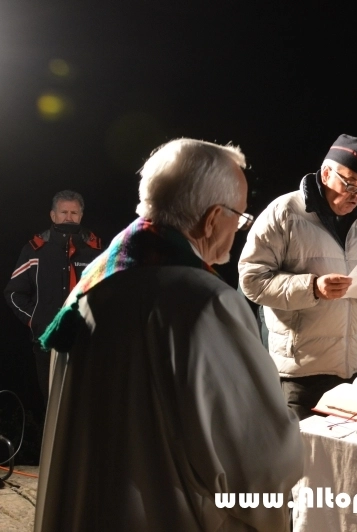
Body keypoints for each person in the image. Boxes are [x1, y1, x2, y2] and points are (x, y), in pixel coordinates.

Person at [34, 139, 303, 532]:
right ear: (213, 218)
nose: (239, 228)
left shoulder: (94, 280)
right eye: (241, 216)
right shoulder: (204, 302)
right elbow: (259, 463)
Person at [239, 134, 357, 420]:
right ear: (326, 173)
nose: (356, 195)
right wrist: (313, 288)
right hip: (303, 373)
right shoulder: (284, 212)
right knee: (302, 450)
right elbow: (252, 280)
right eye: (350, 183)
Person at [5, 190, 102, 405]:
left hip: (86, 342)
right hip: (47, 342)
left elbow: (109, 292)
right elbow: (13, 293)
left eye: (74, 213)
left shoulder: (95, 250)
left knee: (86, 405)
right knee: (54, 405)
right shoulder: (35, 250)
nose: (69, 217)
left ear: (81, 216)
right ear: (53, 215)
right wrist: (36, 320)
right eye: (64, 212)